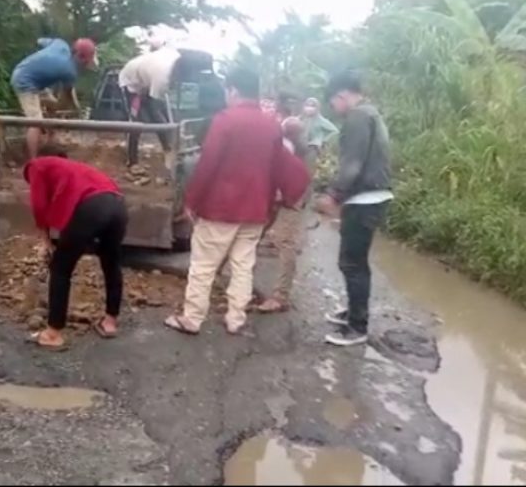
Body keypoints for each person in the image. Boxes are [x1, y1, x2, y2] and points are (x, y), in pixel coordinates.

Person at [165, 68, 311, 336]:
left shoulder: (225, 120)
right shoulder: (270, 124)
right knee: (243, 266)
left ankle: (192, 318)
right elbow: (281, 164)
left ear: (232, 90)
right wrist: (287, 196)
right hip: (255, 211)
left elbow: (208, 164)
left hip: (220, 209)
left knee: (203, 265)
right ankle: (236, 319)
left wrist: (191, 201)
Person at [23, 147, 128, 351]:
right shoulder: (74, 168)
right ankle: (110, 323)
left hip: (91, 207)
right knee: (111, 262)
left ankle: (53, 333)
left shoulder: (36, 166)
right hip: (118, 205)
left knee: (60, 268)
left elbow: (39, 205)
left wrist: (45, 241)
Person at [315, 71, 392, 347]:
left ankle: (357, 327)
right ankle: (354, 312)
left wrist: (334, 195)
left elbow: (352, 164)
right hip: (373, 196)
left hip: (364, 199)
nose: (335, 109)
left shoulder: (357, 117)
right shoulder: (371, 113)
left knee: (352, 263)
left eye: (333, 103)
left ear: (342, 95)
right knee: (356, 262)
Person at [256, 115, 309, 313]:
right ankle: (231, 278)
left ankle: (280, 297)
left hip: (292, 193)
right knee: (254, 233)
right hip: (284, 190)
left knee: (285, 241)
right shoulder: (285, 145)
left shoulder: (279, 147)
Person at [10, 37, 96, 158]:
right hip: (24, 82)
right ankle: (33, 160)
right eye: (86, 62)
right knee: (35, 122)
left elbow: (39, 41)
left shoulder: (60, 44)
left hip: (34, 80)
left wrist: (40, 62)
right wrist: (77, 110)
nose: (85, 66)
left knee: (52, 106)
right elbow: (67, 97)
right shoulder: (70, 71)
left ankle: (50, 142)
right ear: (81, 58)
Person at [118, 47, 181, 164]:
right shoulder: (161, 78)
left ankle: (168, 150)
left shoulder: (176, 56)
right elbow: (155, 108)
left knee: (159, 119)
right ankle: (132, 161)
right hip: (131, 82)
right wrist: (168, 127)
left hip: (146, 79)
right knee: (135, 122)